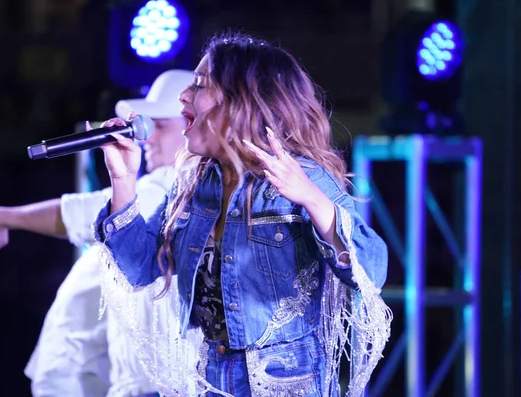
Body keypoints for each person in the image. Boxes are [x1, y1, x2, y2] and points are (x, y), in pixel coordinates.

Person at [92, 31, 392, 397]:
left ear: (242, 101)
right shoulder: (198, 184)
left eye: (198, 86)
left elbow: (370, 270)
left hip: (285, 383)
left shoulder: (301, 177)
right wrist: (123, 180)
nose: (184, 96)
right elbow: (140, 265)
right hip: (210, 379)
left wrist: (313, 199)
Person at [0, 69, 194, 397]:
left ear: (193, 127)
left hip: (140, 385)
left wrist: (2, 218)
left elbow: (80, 214)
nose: (146, 137)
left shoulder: (170, 184)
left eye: (160, 125)